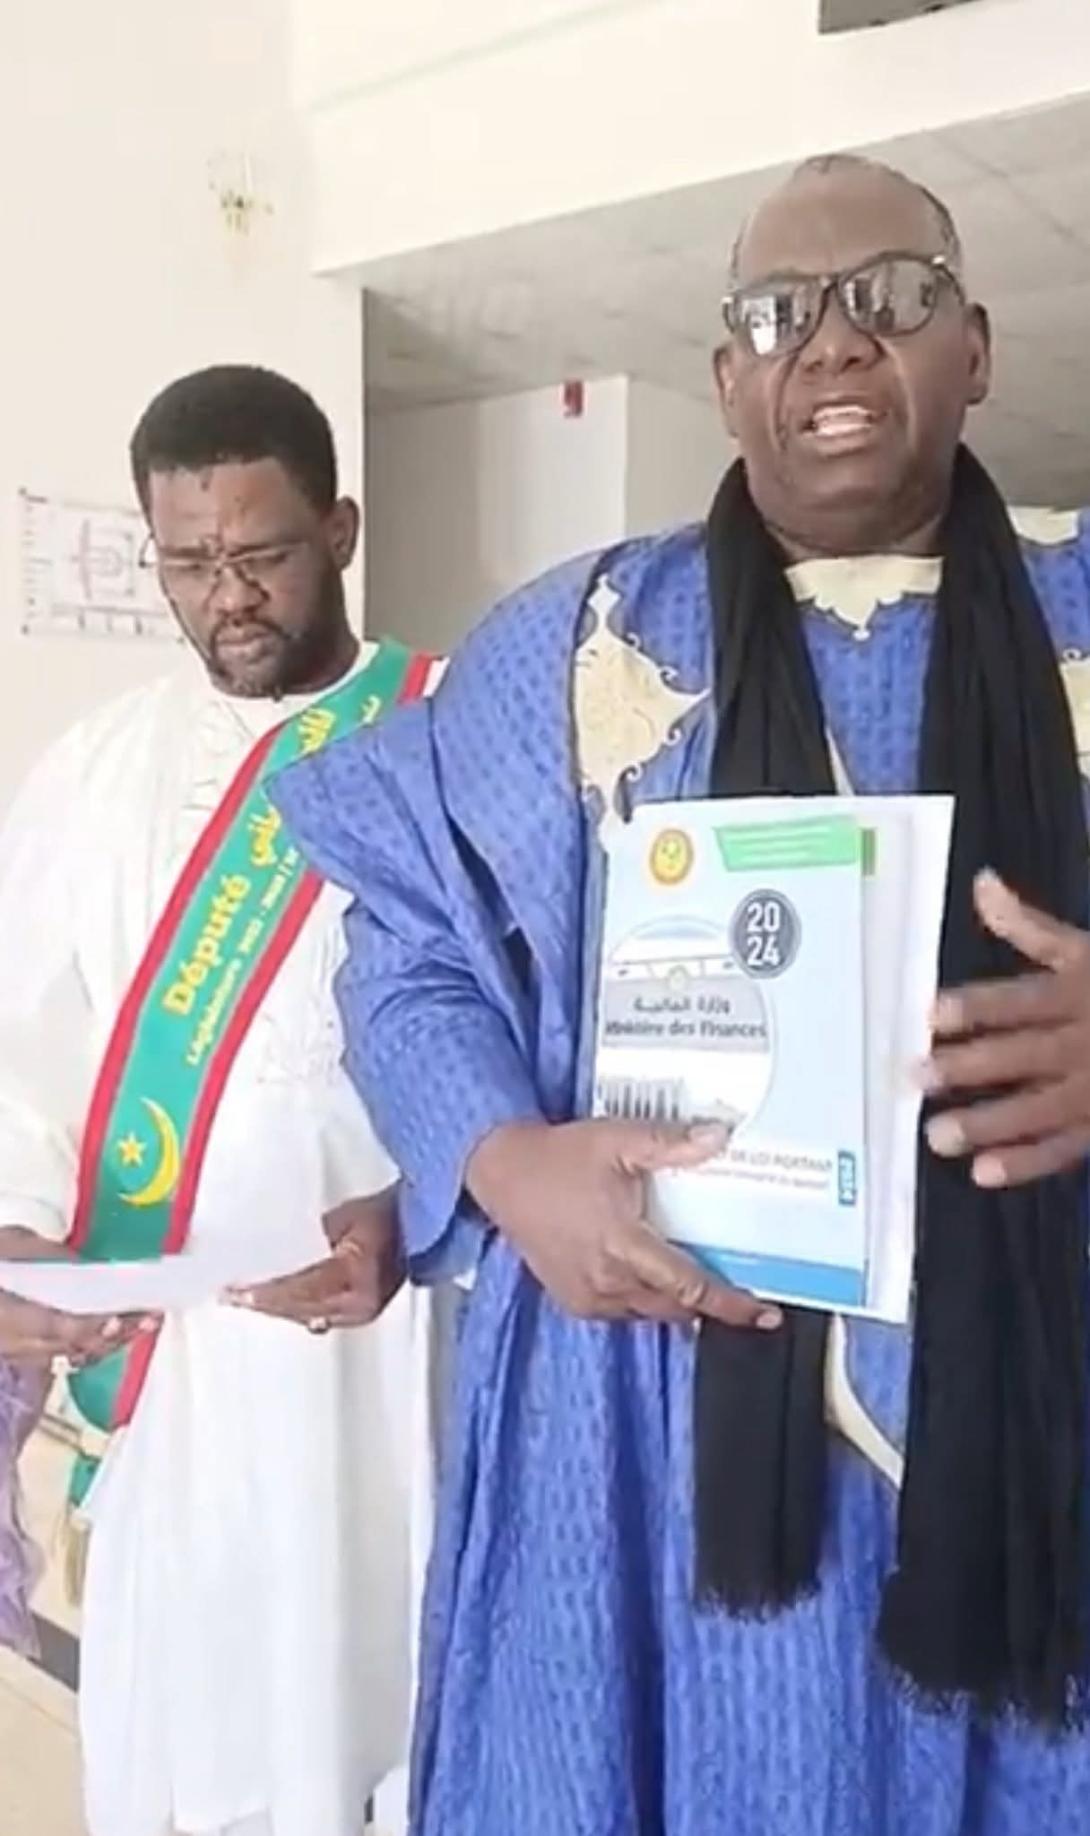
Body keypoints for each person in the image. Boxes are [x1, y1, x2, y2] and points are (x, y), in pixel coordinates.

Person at [273, 156, 1090, 1835]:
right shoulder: (578, 645)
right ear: (726, 379)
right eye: (779, 316)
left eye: (891, 298)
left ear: (975, 349)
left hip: (1029, 1401)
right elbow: (406, 941)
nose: (834, 344)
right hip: (637, 1417)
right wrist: (502, 1159)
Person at [0, 364, 446, 1836]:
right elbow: (23, 1037)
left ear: (341, 530)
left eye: (261, 555)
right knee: (192, 1742)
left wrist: (424, 1207)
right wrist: (14, 1234)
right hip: (173, 1373)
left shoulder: (446, 734)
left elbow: (528, 1033)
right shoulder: (98, 769)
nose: (228, 598)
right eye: (188, 564)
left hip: (388, 1353)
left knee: (385, 1702)